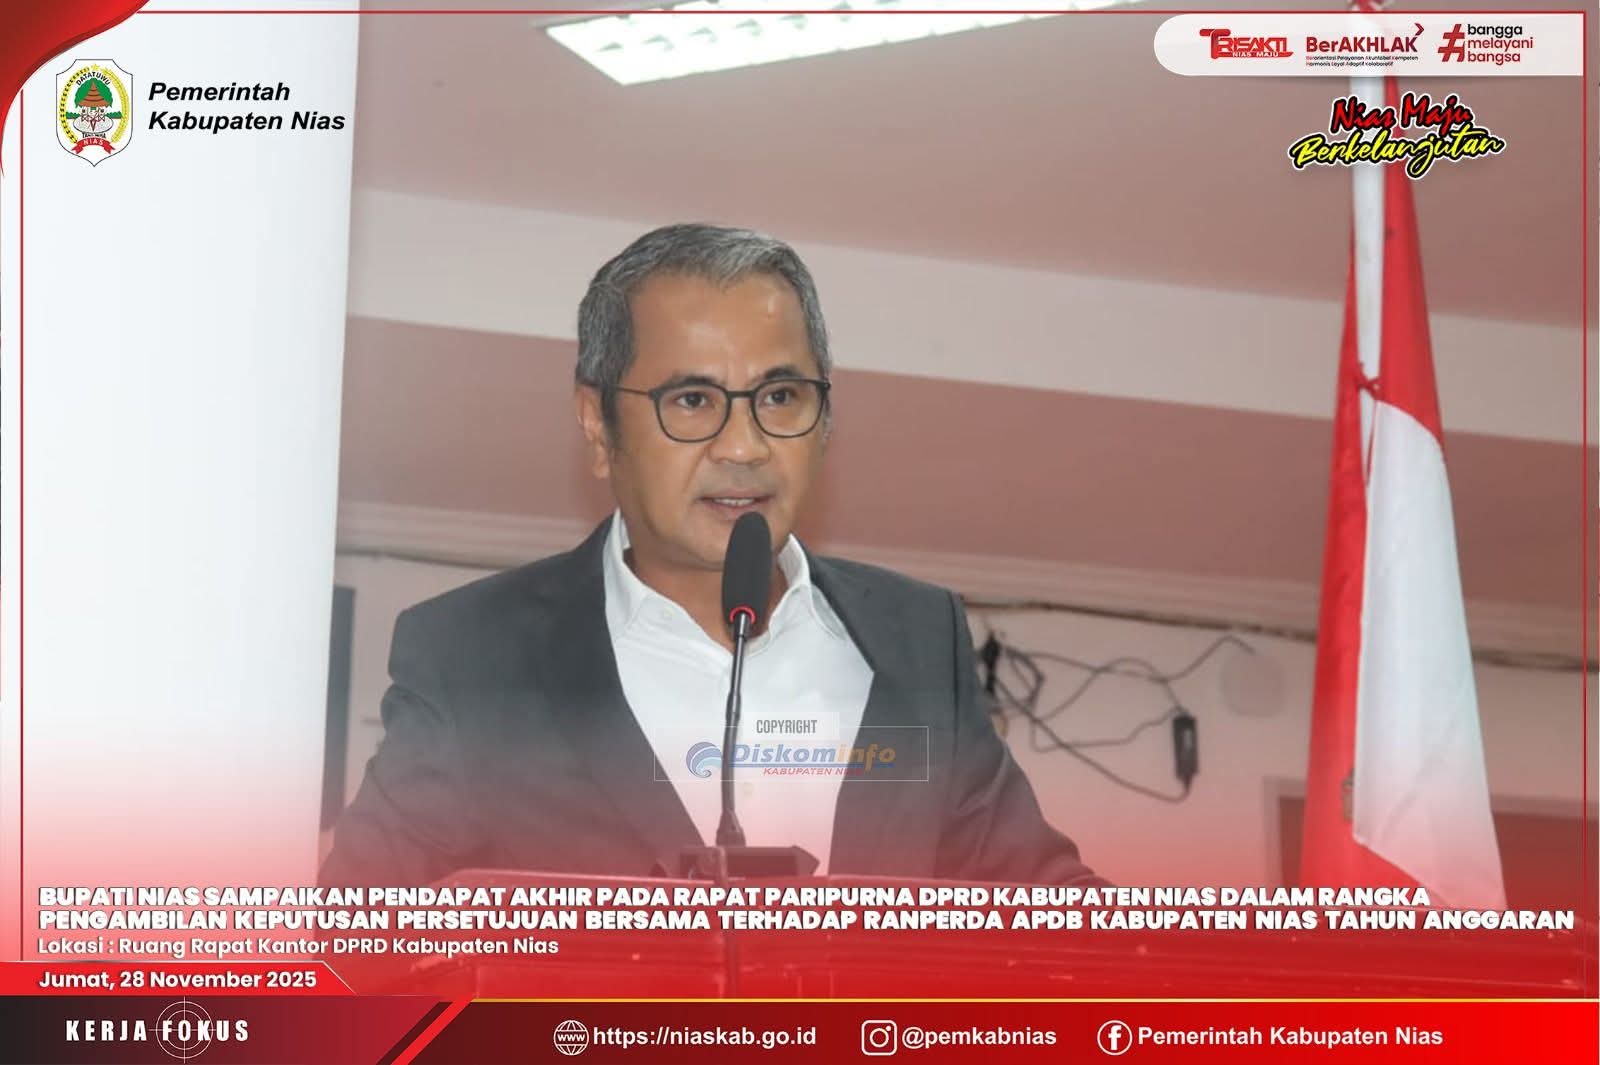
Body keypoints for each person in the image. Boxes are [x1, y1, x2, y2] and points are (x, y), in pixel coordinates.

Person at [320, 223, 1099, 887]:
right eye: (692, 401)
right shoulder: (476, 659)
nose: (745, 445)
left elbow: (1060, 921)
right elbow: (356, 946)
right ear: (597, 424)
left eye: (781, 397)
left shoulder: (916, 640)